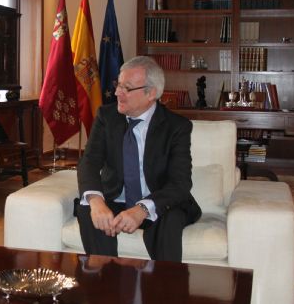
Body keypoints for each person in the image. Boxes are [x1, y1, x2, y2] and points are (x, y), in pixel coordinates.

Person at [75, 55, 200, 262]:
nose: (117, 92)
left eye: (127, 88)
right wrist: (96, 201)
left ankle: (163, 289)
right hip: (116, 198)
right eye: (118, 85)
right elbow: (89, 161)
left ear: (151, 93)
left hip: (158, 202)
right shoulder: (107, 117)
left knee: (171, 219)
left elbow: (180, 183)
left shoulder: (176, 127)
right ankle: (104, 285)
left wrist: (143, 208)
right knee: (89, 210)